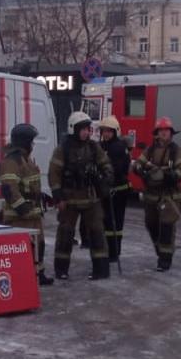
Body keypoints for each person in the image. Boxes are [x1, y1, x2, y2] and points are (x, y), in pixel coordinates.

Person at [49, 112, 113, 281]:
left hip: (91, 198)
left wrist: (102, 177)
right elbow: (54, 174)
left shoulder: (93, 147)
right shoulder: (63, 149)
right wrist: (58, 196)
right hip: (69, 199)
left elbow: (106, 166)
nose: (86, 132)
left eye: (88, 129)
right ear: (73, 129)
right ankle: (61, 270)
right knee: (65, 234)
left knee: (97, 232)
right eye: (83, 129)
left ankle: (101, 269)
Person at [0, 123, 52, 287]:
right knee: (23, 248)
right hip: (19, 217)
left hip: (33, 214)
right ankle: (23, 276)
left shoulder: (25, 158)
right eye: (31, 142)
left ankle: (38, 273)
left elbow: (28, 184)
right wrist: (23, 209)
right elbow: (10, 189)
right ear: (24, 142)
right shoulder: (12, 161)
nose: (33, 145)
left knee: (39, 244)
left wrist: (41, 197)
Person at [133, 117, 181, 272]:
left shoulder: (176, 151)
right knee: (151, 224)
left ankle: (165, 259)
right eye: (161, 131)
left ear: (171, 133)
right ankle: (161, 251)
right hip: (151, 196)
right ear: (156, 133)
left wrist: (172, 176)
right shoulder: (150, 150)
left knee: (166, 227)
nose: (164, 133)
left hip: (169, 196)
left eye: (167, 131)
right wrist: (141, 171)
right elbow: (138, 163)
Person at [98, 116, 131, 266]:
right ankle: (110, 250)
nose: (106, 134)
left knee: (115, 224)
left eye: (109, 131)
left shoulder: (118, 147)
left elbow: (118, 169)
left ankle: (114, 252)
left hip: (118, 191)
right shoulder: (102, 146)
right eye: (104, 131)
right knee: (107, 222)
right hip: (107, 190)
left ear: (115, 132)